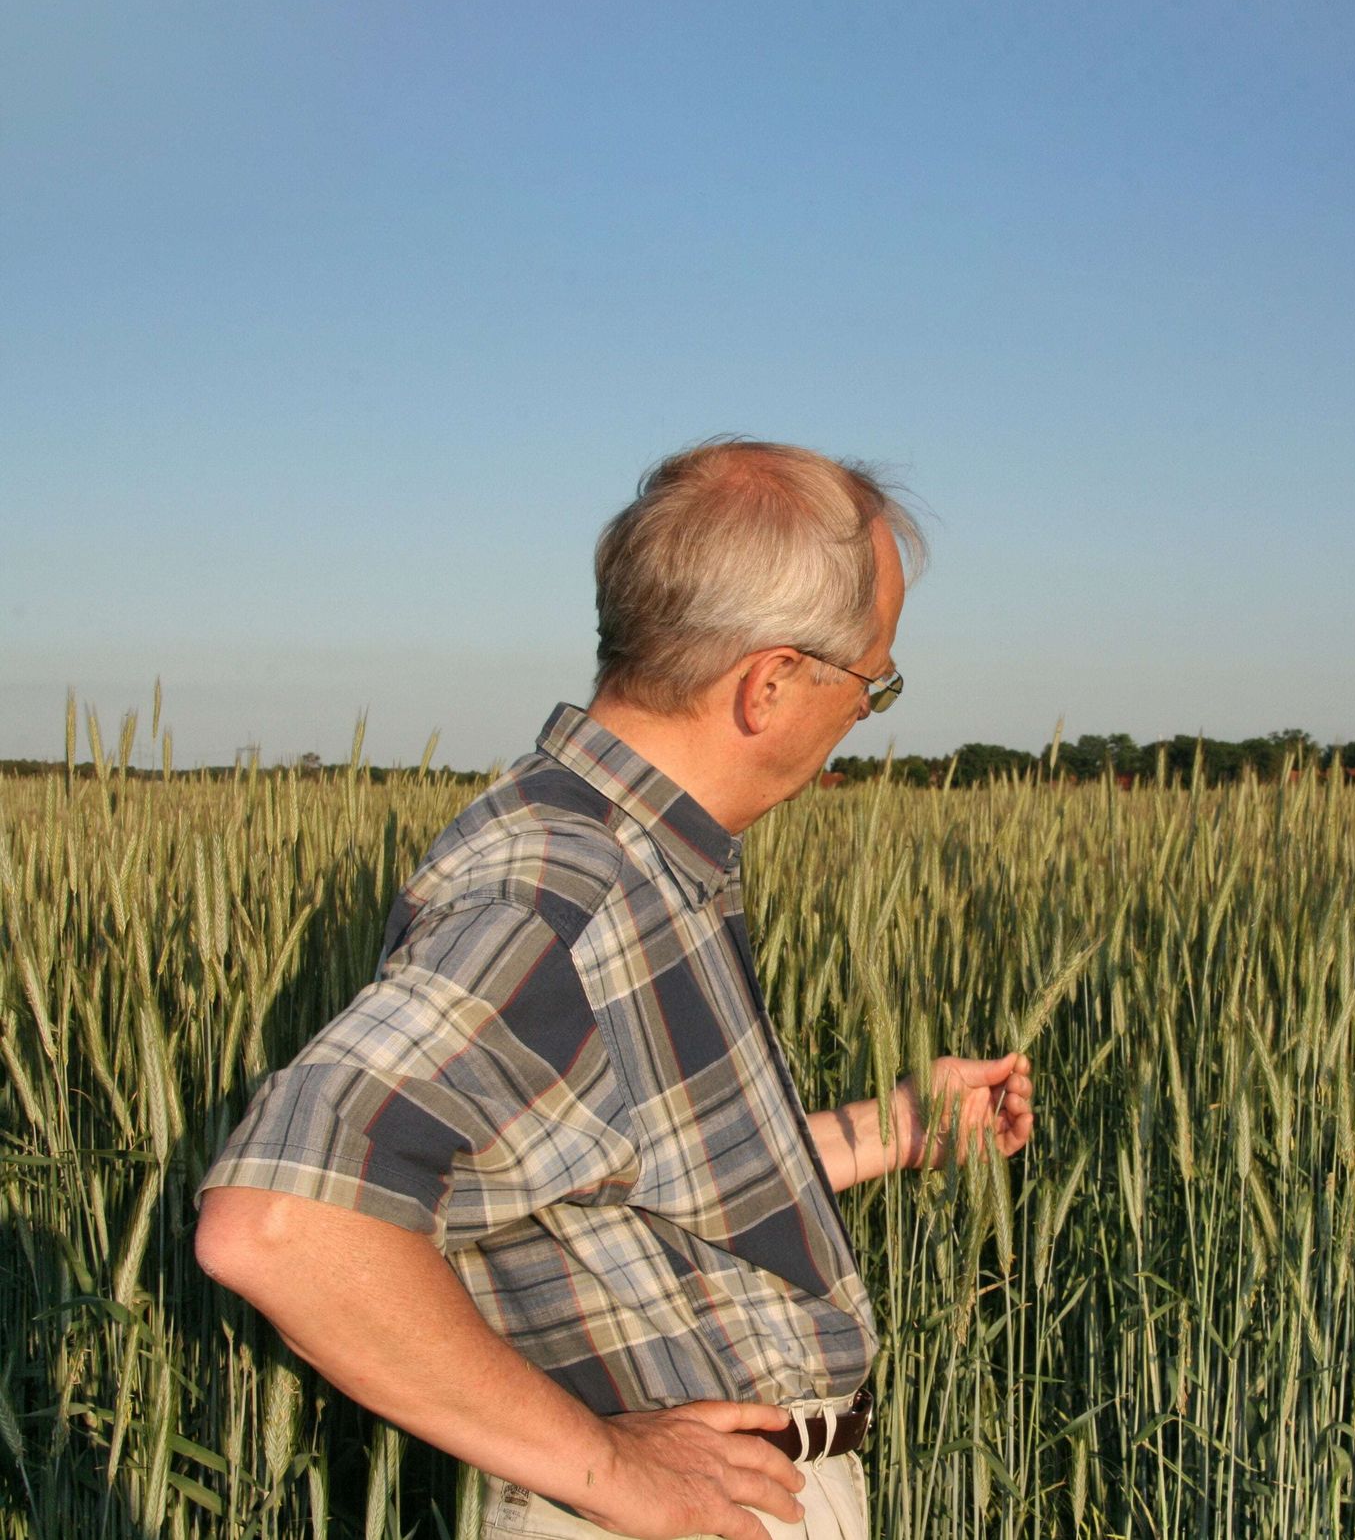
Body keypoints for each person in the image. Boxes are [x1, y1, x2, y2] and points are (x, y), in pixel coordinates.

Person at [195, 440, 1035, 1540]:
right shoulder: (562, 889)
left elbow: (617, 1173)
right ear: (770, 681)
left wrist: (892, 1129)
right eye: (872, 682)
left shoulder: (632, 857)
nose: (864, 714)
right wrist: (610, 1468)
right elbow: (277, 1222)